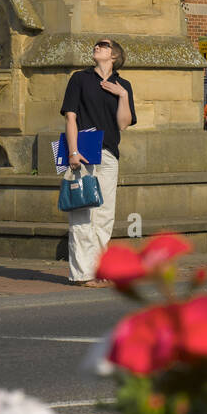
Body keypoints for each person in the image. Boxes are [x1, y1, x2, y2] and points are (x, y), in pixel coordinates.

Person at [59, 38, 137, 287]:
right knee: (82, 213)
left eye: (103, 45)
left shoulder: (123, 84)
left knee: (104, 215)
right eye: (96, 45)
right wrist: (72, 151)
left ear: (114, 55)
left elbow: (123, 124)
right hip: (82, 151)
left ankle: (100, 269)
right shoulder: (79, 79)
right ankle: (82, 274)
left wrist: (122, 95)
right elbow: (70, 117)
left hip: (109, 153)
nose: (97, 47)